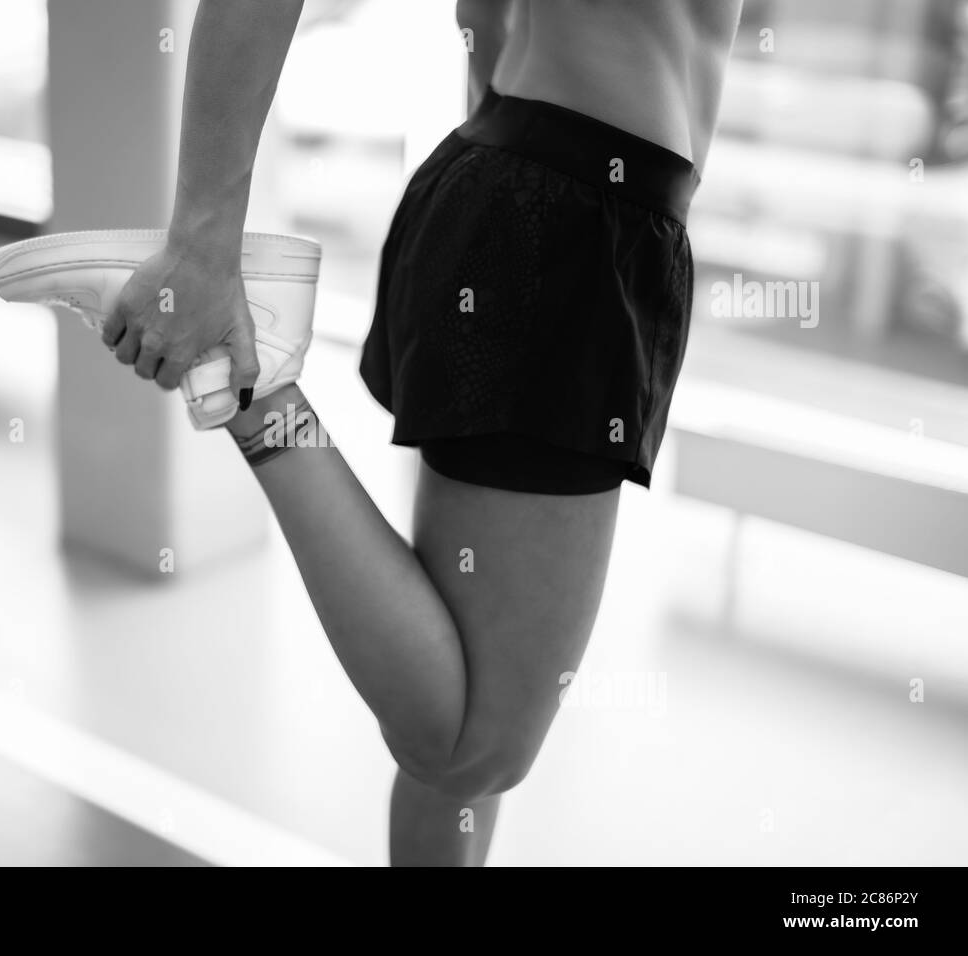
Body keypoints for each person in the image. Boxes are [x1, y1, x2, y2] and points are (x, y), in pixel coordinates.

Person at [105, 0, 744, 866]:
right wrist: (201, 247)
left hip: (546, 191)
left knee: (462, 748)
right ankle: (252, 392)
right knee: (470, 747)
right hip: (564, 211)